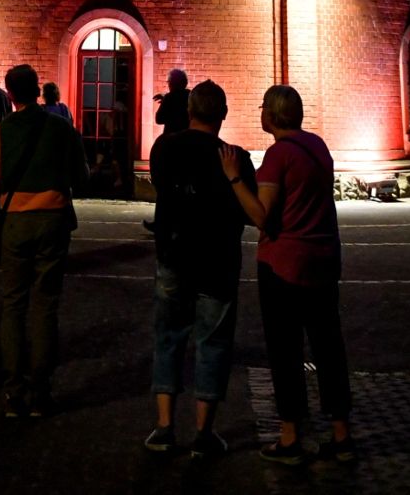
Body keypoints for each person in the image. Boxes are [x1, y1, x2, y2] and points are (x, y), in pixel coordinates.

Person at [221, 85, 354, 465]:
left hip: (284, 266)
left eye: (263, 106)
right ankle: (341, 435)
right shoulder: (318, 146)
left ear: (273, 114)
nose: (260, 112)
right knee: (328, 347)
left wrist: (234, 178)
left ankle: (290, 437)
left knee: (285, 351)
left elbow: (262, 216)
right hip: (324, 260)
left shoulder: (279, 155)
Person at [144, 79, 256, 458]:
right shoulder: (235, 157)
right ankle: (204, 433)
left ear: (189, 110)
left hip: (174, 255)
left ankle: (164, 427)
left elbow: (161, 186)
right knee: (213, 342)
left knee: (168, 337)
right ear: (223, 114)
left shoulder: (163, 149)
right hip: (218, 261)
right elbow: (248, 209)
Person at [0, 64, 90, 418]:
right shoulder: (62, 128)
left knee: (13, 304)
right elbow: (81, 177)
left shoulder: (1, 132)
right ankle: (41, 392)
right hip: (53, 218)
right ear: (38, 89)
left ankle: (14, 392)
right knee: (45, 305)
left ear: (10, 94)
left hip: (15, 220)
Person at [155, 68, 190, 135]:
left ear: (172, 83)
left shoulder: (169, 97)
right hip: (187, 136)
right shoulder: (190, 95)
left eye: (169, 81)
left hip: (171, 136)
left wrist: (165, 102)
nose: (168, 84)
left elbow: (159, 119)